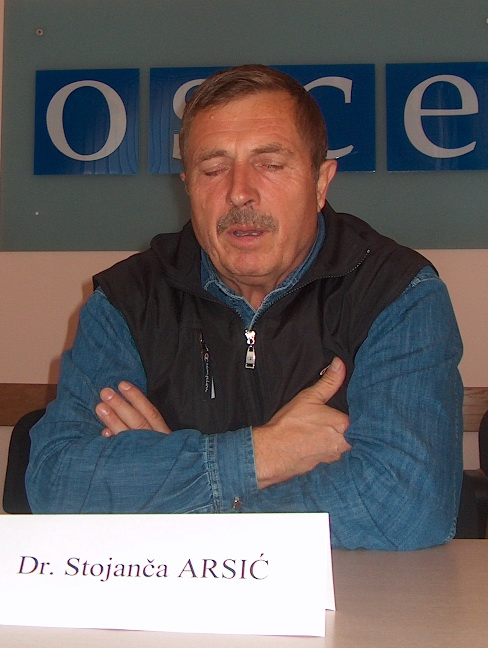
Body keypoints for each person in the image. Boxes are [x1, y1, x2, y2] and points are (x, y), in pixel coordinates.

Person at [26, 64, 463, 550]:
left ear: (320, 183)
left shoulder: (396, 293)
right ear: (188, 186)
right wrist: (261, 457)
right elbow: (55, 484)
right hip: (170, 593)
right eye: (213, 169)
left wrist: (168, 492)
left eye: (270, 164)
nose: (239, 191)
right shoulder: (128, 300)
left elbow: (405, 505)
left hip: (351, 596)